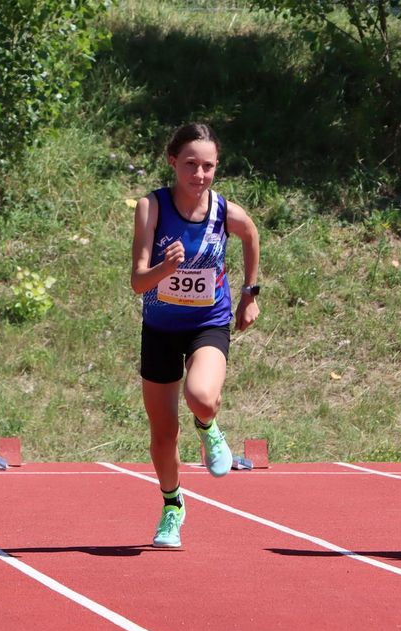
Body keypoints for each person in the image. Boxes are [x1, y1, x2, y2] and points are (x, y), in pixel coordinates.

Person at [130, 123, 260, 548]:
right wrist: (165, 269)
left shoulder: (225, 212)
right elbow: (137, 281)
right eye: (190, 164)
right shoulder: (152, 207)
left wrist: (250, 294)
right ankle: (173, 506)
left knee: (201, 396)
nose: (199, 174)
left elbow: (251, 235)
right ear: (173, 162)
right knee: (163, 433)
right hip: (160, 329)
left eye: (208, 166)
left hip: (208, 323)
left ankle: (207, 425)